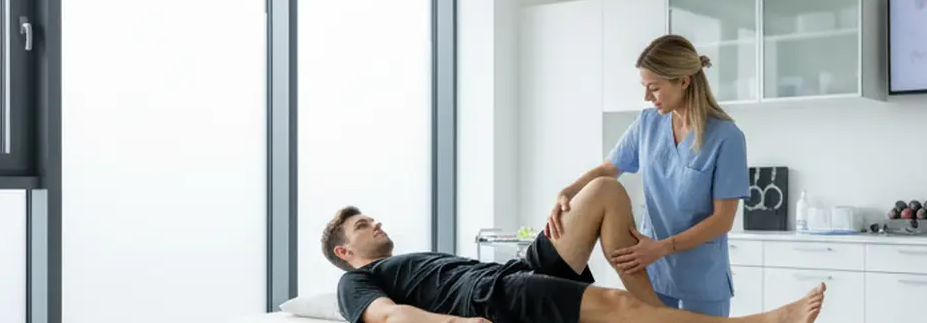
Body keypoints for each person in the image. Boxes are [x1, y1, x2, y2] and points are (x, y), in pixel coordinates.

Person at [323, 176, 825, 323]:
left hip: (511, 274)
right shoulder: (356, 283)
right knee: (615, 305)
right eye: (363, 225)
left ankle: (657, 318)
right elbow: (389, 319)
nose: (376, 224)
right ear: (345, 252)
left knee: (604, 192)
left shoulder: (403, 260)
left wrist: (565, 190)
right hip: (494, 300)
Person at [546, 34, 749, 316]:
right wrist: (568, 192)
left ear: (683, 81)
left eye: (654, 87)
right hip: (654, 275)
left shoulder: (727, 137)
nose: (646, 97)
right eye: (645, 87)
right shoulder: (647, 124)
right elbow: (608, 170)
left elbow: (722, 220)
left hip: (702, 280)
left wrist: (663, 248)